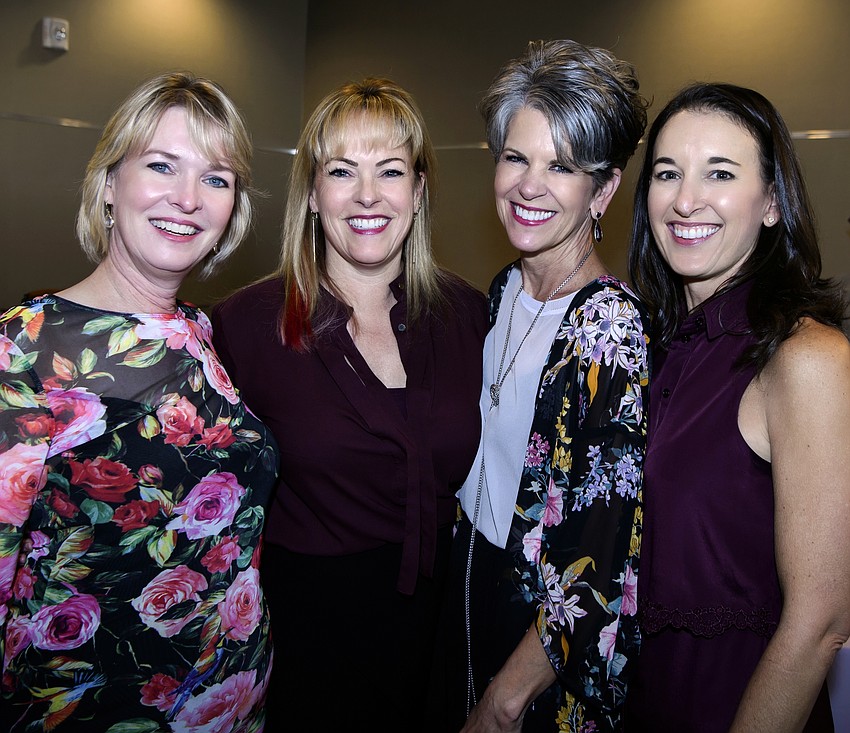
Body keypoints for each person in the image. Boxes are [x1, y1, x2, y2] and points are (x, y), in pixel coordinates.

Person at [0, 72, 278, 731]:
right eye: (161, 165)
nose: (188, 198)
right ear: (108, 183)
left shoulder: (198, 331)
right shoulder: (26, 348)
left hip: (228, 705)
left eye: (215, 178)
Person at [210, 78, 487, 730]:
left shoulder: (471, 316)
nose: (367, 194)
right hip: (307, 647)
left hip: (439, 640)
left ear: (418, 191)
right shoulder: (244, 326)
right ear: (312, 193)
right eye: (342, 171)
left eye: (390, 170)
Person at [436, 40, 651, 732]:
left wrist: (505, 702)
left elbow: (598, 560)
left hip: (538, 647)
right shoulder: (503, 290)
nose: (529, 185)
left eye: (561, 166)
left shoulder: (610, 331)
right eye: (515, 157)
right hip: (466, 594)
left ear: (604, 190)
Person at [625, 82, 850, 732]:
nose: (685, 199)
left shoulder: (806, 357)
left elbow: (822, 622)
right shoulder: (649, 351)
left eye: (719, 173)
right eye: (667, 172)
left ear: (773, 202)